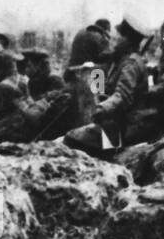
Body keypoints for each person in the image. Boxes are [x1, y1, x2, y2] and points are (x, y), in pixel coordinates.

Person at [64, 14, 155, 154]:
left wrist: (100, 108)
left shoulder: (130, 64)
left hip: (124, 129)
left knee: (71, 140)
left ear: (127, 40)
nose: (114, 40)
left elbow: (122, 96)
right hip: (116, 125)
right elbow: (105, 89)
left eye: (118, 37)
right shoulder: (120, 61)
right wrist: (94, 75)